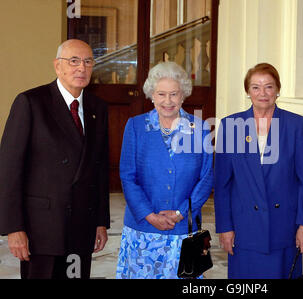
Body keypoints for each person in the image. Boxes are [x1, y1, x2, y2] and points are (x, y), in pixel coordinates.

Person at [0, 39, 110, 279]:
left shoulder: (98, 108)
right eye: (73, 61)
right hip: (42, 230)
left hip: (81, 227)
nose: (81, 68)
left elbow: (99, 170)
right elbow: (9, 170)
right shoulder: (30, 102)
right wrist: (13, 228)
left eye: (87, 61)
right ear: (57, 66)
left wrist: (100, 221)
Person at [214, 63, 303, 278]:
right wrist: (224, 227)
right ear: (247, 91)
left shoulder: (295, 124)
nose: (262, 93)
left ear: (278, 90)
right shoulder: (231, 125)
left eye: (269, 87)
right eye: (255, 87)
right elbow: (222, 184)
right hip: (244, 229)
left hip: (283, 229)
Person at [116, 61, 214, 279]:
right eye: (161, 94)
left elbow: (206, 178)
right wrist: (149, 215)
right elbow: (127, 176)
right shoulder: (135, 126)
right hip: (142, 229)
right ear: (151, 95)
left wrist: (181, 212)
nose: (168, 101)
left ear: (183, 95)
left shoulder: (200, 129)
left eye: (174, 94)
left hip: (185, 231)